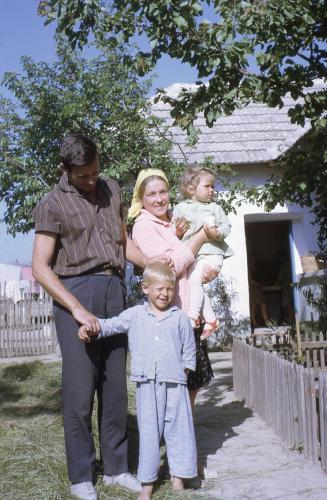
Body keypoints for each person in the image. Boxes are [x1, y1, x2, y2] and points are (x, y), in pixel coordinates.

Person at [32, 135, 165, 500]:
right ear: (66, 170)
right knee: (79, 391)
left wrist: (155, 266)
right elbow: (40, 267)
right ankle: (81, 476)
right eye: (83, 176)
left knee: (115, 388)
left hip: (115, 290)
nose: (92, 180)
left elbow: (123, 242)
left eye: (95, 172)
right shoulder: (52, 204)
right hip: (75, 292)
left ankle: (117, 468)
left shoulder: (111, 189)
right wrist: (75, 308)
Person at [78, 263, 197, 500]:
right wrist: (92, 328)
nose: (165, 294)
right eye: (160, 289)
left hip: (175, 384)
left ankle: (179, 478)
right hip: (147, 385)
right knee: (150, 434)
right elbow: (112, 324)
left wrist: (185, 370)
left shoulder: (180, 318)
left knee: (179, 431)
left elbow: (189, 349)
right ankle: (147, 484)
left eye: (170, 289)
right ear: (145, 288)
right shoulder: (134, 315)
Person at [128, 168, 218, 410]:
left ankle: (183, 436)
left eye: (163, 192)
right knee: (177, 382)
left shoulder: (175, 219)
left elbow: (187, 265)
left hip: (191, 311)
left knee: (193, 382)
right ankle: (174, 436)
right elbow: (166, 271)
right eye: (151, 194)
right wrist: (200, 238)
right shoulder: (144, 227)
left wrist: (206, 272)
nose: (159, 199)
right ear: (141, 198)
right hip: (171, 315)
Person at [173, 165, 233, 339]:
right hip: (193, 256)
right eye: (207, 186)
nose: (212, 190)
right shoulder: (180, 208)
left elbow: (226, 227)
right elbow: (174, 231)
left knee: (193, 281)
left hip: (211, 254)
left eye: (213, 187)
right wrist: (177, 232)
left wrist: (217, 233)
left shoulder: (215, 208)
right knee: (193, 285)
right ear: (191, 189)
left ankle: (192, 317)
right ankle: (211, 319)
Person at [248, 252, 269, 328]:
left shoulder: (258, 268)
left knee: (263, 304)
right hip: (253, 289)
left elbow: (261, 278)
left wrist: (261, 284)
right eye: (252, 258)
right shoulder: (248, 269)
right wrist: (258, 284)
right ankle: (254, 323)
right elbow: (250, 280)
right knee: (253, 306)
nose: (253, 260)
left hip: (259, 289)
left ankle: (267, 322)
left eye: (254, 258)